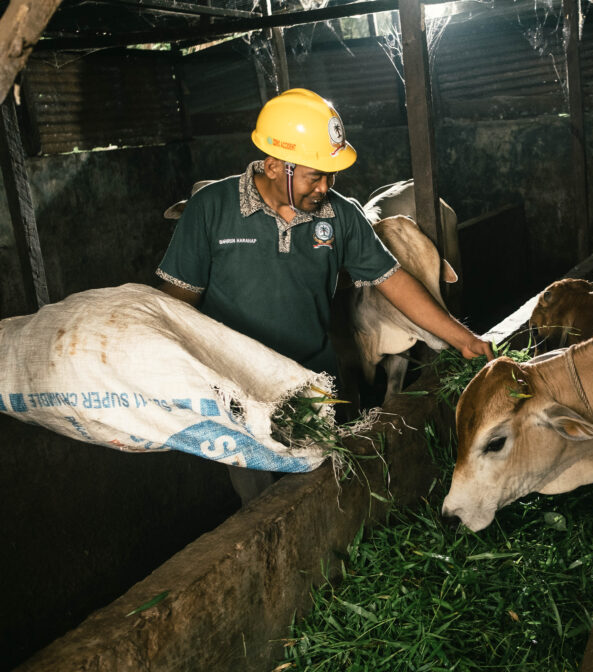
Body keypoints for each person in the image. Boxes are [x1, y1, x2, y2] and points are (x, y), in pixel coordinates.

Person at [156, 88, 492, 501]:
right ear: (275, 164)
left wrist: (462, 339)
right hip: (235, 391)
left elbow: (394, 281)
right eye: (316, 174)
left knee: (318, 492)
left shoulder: (340, 214)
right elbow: (174, 302)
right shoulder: (210, 208)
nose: (325, 186)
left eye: (331, 174)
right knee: (256, 499)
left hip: (312, 386)